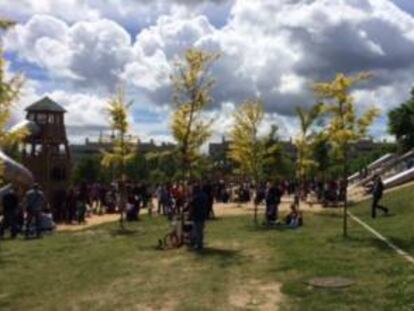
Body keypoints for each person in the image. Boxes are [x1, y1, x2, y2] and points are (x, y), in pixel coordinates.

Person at [189, 184, 209, 250]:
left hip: (197, 215)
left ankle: (199, 244)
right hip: (203, 214)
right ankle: (199, 243)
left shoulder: (196, 197)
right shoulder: (205, 195)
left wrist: (190, 214)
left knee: (198, 231)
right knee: (200, 230)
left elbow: (192, 206)